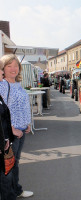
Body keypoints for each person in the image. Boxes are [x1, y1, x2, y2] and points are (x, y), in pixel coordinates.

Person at [0, 54, 33, 198]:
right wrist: (12, 128)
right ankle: (10, 194)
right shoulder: (2, 85)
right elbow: (2, 111)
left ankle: (16, 190)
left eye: (16, 66)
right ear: (3, 68)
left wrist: (28, 123)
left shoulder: (18, 84)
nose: (14, 69)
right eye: (9, 66)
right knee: (7, 166)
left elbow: (24, 106)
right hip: (11, 131)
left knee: (15, 163)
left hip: (22, 129)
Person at [0, 60, 16, 200]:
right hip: (2, 144)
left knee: (7, 173)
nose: (2, 72)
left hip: (5, 141)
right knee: (6, 176)